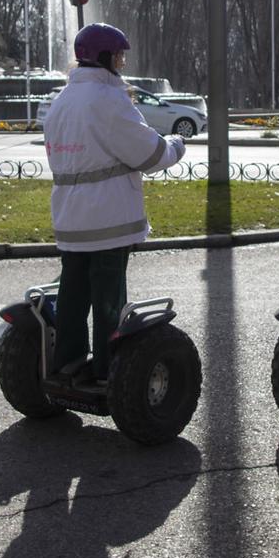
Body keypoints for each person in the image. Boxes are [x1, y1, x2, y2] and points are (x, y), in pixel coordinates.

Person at [42, 23, 187, 380]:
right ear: (104, 57)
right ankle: (108, 371)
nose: (121, 63)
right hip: (107, 220)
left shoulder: (62, 100)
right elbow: (149, 154)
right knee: (109, 301)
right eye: (119, 56)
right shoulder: (108, 99)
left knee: (73, 295)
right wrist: (176, 145)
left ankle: (68, 362)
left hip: (69, 217)